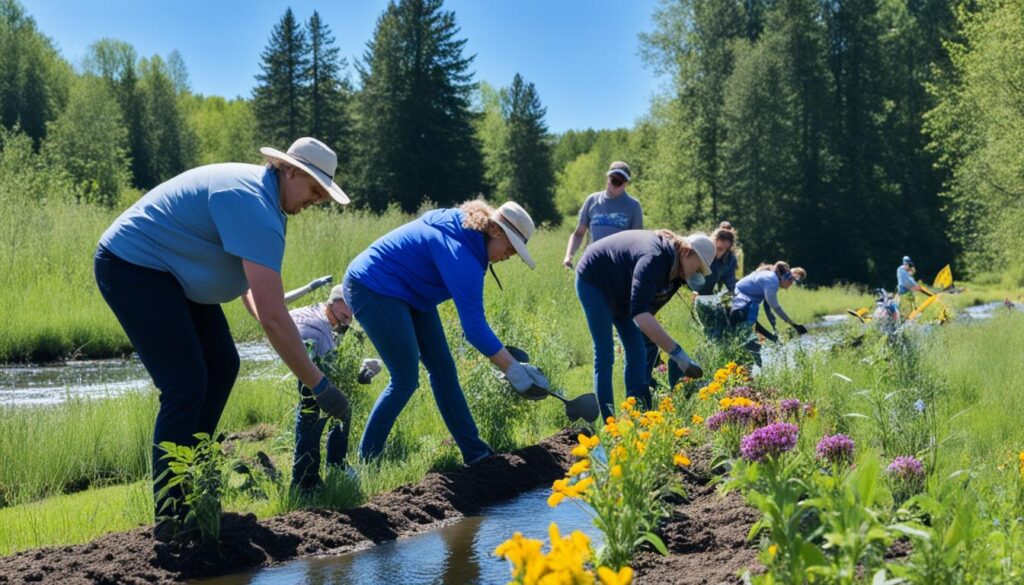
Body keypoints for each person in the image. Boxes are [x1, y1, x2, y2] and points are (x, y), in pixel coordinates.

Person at [94, 137, 353, 538]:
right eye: (315, 190)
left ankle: (195, 486)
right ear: (289, 170)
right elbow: (272, 317)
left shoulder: (264, 202)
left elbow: (255, 292)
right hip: (134, 266)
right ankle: (171, 515)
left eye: (322, 194)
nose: (315, 201)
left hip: (173, 275)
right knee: (185, 384)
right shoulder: (253, 205)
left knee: (222, 365)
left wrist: (274, 322)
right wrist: (317, 383)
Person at [342, 200, 549, 465]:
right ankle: (367, 462)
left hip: (410, 291)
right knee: (405, 379)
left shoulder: (466, 231)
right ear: (495, 231)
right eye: (509, 250)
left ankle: (475, 453)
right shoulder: (462, 256)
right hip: (374, 286)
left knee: (443, 369)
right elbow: (474, 329)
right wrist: (514, 370)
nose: (507, 257)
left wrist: (508, 363)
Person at [575, 229, 715, 420]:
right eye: (697, 268)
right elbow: (640, 314)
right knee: (605, 354)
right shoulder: (655, 257)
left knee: (637, 352)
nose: (696, 275)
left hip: (622, 288)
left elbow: (647, 309)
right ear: (686, 252)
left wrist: (663, 345)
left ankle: (635, 418)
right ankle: (609, 424)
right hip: (595, 279)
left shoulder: (677, 274)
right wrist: (677, 353)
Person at [289, 284, 382, 490]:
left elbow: (336, 361)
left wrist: (364, 369)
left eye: (350, 318)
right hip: (305, 365)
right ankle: (304, 482)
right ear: (331, 305)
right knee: (310, 418)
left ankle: (335, 464)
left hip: (316, 363)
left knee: (342, 410)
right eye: (342, 317)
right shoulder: (313, 327)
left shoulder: (334, 318)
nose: (345, 323)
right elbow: (313, 361)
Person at [644, 227, 739, 391]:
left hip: (711, 299)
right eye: (717, 247)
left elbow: (730, 282)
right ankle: (659, 379)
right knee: (704, 333)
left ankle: (702, 366)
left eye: (723, 249)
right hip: (697, 296)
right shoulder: (699, 251)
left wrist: (731, 296)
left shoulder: (728, 260)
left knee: (716, 334)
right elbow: (686, 274)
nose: (719, 252)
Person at [562, 161, 643, 269]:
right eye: (612, 179)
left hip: (618, 269)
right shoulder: (592, 201)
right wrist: (568, 257)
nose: (612, 185)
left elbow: (636, 242)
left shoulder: (633, 206)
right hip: (590, 265)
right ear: (607, 178)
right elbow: (578, 234)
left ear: (626, 183)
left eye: (618, 182)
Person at [728, 262, 808, 365]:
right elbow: (776, 307)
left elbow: (767, 308)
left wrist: (773, 331)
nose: (790, 286)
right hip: (740, 303)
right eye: (792, 282)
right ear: (788, 278)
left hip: (743, 302)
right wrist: (794, 325)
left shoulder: (771, 277)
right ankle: (747, 369)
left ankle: (749, 368)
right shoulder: (771, 281)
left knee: (748, 341)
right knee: (748, 343)